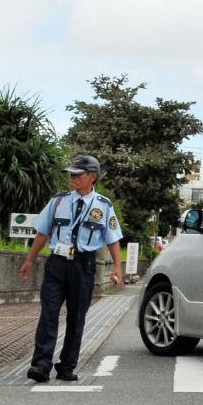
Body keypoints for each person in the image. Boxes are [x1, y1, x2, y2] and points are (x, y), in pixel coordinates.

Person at [19, 154, 123, 383]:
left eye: (78, 174)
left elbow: (112, 238)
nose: (72, 177)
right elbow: (43, 231)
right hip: (56, 263)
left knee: (77, 317)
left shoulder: (103, 206)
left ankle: (67, 365)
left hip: (83, 265)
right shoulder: (58, 201)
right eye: (71, 173)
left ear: (92, 177)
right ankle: (41, 364)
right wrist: (29, 258)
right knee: (49, 313)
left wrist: (117, 266)